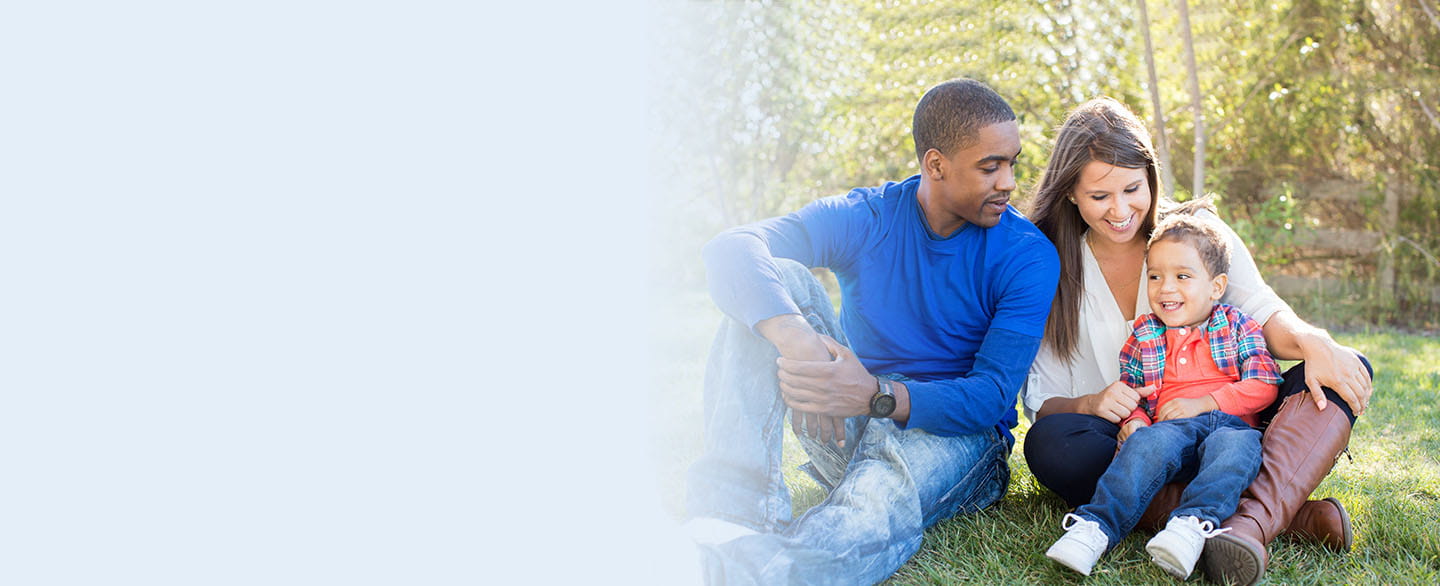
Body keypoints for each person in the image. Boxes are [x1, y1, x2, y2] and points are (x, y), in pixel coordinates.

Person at [685, 78, 1060, 584]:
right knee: (782, 279)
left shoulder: (1027, 256)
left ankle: (744, 572)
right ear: (935, 165)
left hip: (957, 442)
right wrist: (799, 341)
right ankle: (728, 518)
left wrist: (876, 396)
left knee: (873, 498)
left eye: (1012, 162)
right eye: (990, 166)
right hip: (845, 417)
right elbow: (732, 248)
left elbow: (992, 398)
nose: (1009, 181)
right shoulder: (870, 216)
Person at [1021, 97, 1375, 586]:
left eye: (1132, 189)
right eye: (1100, 196)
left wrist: (1315, 343)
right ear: (1071, 196)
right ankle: (1279, 519)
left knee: (1342, 368)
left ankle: (1245, 525)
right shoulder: (1052, 268)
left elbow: (1266, 313)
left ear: (1150, 177)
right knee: (1052, 444)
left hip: (1235, 424)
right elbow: (1044, 405)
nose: (1121, 210)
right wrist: (1093, 401)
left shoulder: (1196, 236)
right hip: (1135, 436)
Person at [1045, 213, 1281, 579]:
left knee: (1235, 452)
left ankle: (1189, 527)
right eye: (1155, 276)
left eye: (1182, 277)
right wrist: (1135, 421)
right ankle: (1094, 528)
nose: (1165, 288)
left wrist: (1206, 403)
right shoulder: (1145, 335)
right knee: (1144, 448)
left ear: (1216, 287)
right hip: (1169, 430)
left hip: (1229, 427)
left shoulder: (1237, 325)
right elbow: (1134, 391)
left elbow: (1264, 384)